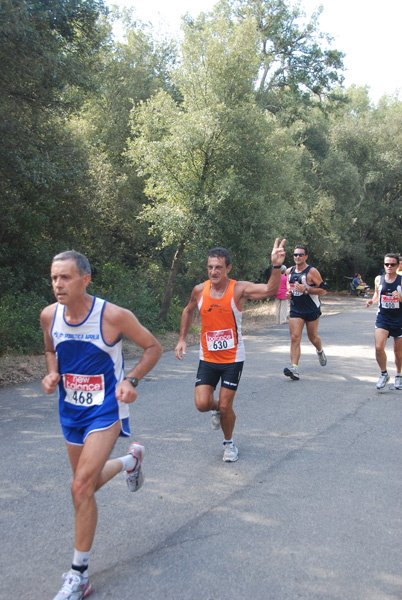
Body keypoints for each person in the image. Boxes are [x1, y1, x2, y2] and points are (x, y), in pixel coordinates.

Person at [40, 250, 163, 600]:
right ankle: (130, 461)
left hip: (106, 410)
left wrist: (132, 380)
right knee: (87, 486)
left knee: (79, 487)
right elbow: (50, 349)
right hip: (71, 412)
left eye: (65, 277)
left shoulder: (112, 316)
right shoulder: (49, 316)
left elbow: (152, 347)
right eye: (54, 278)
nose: (58, 285)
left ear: (85, 280)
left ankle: (79, 576)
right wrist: (52, 373)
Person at [174, 238, 286, 462]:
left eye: (218, 267)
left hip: (233, 358)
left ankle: (228, 443)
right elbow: (188, 311)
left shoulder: (239, 289)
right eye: (210, 267)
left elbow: (270, 289)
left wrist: (275, 266)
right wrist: (182, 339)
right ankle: (218, 410)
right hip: (208, 356)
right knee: (202, 404)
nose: (213, 271)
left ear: (228, 268)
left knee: (226, 405)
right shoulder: (199, 290)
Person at [283, 245, 327, 381]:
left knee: (312, 337)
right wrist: (289, 293)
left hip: (311, 309)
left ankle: (320, 350)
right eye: (295, 255)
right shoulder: (289, 271)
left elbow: (323, 290)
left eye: (301, 255)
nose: (298, 257)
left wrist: (306, 290)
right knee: (295, 337)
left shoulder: (312, 272)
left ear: (306, 256)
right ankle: (294, 368)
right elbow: (288, 286)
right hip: (296, 309)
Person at [366, 253, 402, 390]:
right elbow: (377, 294)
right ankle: (384, 373)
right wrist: (372, 301)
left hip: (399, 319)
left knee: (398, 352)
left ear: (397, 266)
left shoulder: (401, 280)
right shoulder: (378, 279)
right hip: (383, 317)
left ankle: (398, 375)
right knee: (379, 347)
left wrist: (399, 297)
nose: (389, 267)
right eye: (387, 264)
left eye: (392, 264)